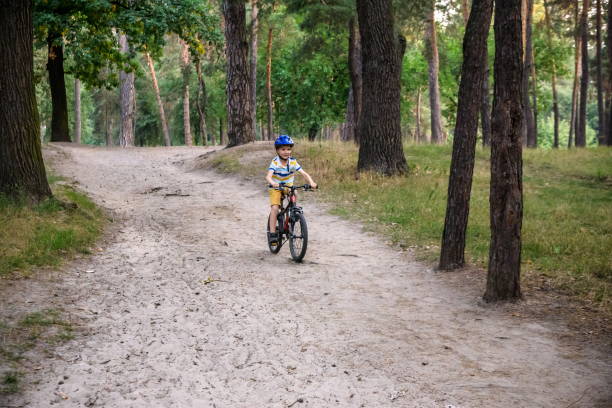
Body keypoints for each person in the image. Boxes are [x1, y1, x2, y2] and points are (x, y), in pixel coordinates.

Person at [265, 135, 317, 244]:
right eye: (283, 149)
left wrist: (311, 182)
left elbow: (304, 173)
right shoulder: (275, 162)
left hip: (288, 186)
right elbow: (268, 177)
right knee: (275, 208)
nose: (286, 152)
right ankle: (273, 234)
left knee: (295, 193)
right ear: (277, 150)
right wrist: (273, 183)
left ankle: (293, 212)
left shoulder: (293, 162)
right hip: (276, 187)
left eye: (288, 149)